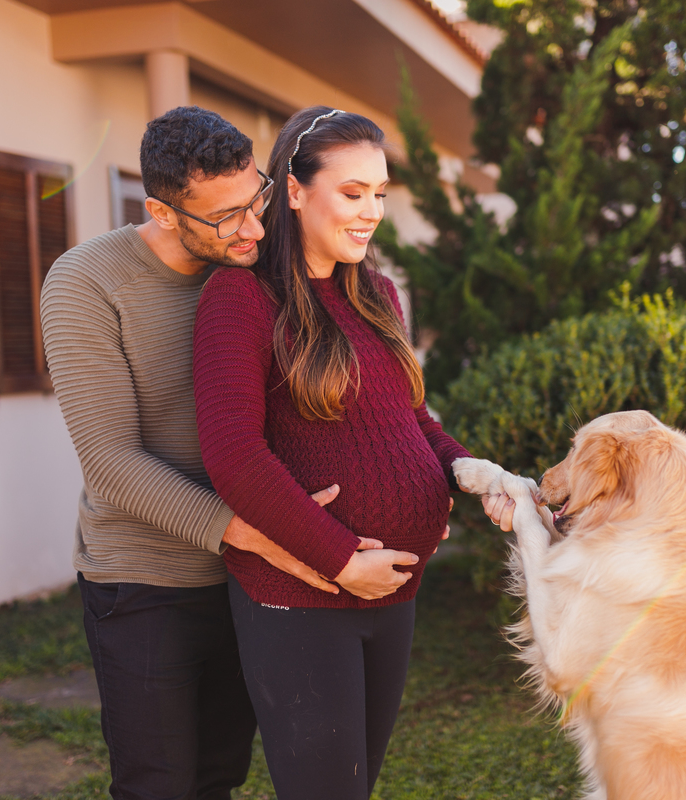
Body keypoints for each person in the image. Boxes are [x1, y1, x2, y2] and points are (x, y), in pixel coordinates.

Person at [39, 106, 352, 800]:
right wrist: (269, 536)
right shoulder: (86, 283)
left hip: (248, 578)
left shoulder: (263, 268)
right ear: (162, 209)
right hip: (146, 582)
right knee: (160, 785)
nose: (254, 228)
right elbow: (112, 465)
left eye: (257, 200)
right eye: (225, 217)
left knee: (218, 776)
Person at [192, 107, 476, 800]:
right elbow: (233, 454)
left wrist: (468, 474)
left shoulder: (377, 294)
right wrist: (342, 558)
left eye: (380, 193)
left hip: (393, 593)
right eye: (352, 194)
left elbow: (413, 421)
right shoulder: (241, 297)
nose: (371, 211)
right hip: (302, 598)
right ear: (294, 190)